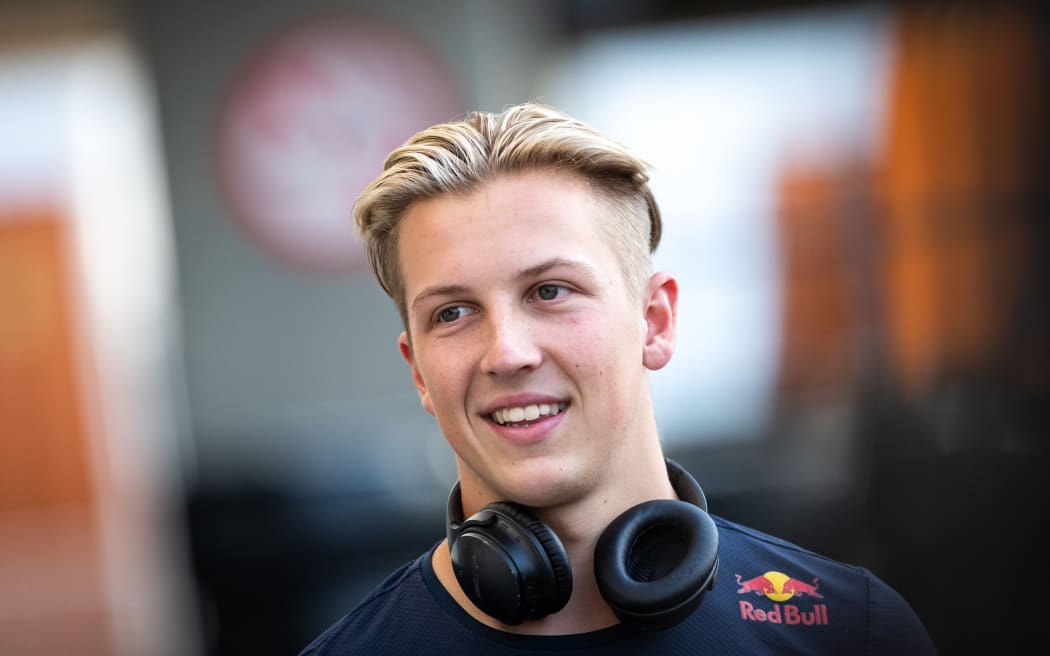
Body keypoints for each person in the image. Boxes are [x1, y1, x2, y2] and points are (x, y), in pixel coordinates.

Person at [300, 102, 937, 655]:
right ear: (418, 372)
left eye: (550, 290)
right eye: (454, 312)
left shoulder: (852, 633)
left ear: (654, 322)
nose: (507, 353)